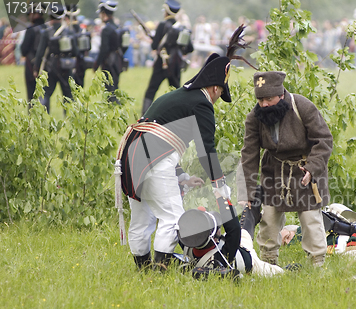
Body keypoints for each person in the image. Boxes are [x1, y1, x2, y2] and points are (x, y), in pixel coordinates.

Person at [115, 26, 250, 270]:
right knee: (173, 217)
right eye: (221, 92)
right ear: (215, 88)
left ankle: (143, 268)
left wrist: (182, 177)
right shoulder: (202, 104)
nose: (219, 97)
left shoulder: (176, 98)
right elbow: (206, 150)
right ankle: (159, 269)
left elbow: (160, 136)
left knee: (142, 218)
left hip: (132, 156)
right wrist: (220, 186)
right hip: (152, 157)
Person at [237, 71, 333, 266]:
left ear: (281, 94)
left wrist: (312, 169)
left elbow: (324, 140)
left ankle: (317, 267)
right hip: (274, 173)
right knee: (269, 223)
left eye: (268, 99)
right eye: (260, 99)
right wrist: (247, 191)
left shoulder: (303, 107)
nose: (263, 104)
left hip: (304, 171)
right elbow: (249, 154)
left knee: (311, 221)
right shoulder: (255, 117)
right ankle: (268, 264)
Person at [141, 0, 194, 114]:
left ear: (166, 11)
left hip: (162, 63)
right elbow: (190, 48)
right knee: (176, 91)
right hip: (175, 64)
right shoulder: (182, 28)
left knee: (151, 90)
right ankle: (179, 115)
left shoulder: (162, 25)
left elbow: (154, 46)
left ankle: (144, 116)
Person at [33, 4, 78, 113]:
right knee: (68, 95)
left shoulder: (46, 33)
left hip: (50, 67)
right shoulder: (69, 32)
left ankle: (45, 115)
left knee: (46, 94)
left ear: (50, 16)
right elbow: (75, 52)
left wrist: (36, 68)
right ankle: (68, 119)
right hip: (66, 66)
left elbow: (40, 53)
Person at [93, 0, 124, 102]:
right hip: (117, 60)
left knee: (110, 90)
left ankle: (114, 111)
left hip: (109, 62)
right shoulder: (117, 27)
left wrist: (97, 64)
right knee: (114, 87)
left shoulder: (106, 29)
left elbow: (104, 49)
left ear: (103, 14)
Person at [20, 2, 47, 102]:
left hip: (31, 65)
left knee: (31, 95)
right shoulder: (47, 28)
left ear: (35, 14)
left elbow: (23, 50)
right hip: (46, 65)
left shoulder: (31, 30)